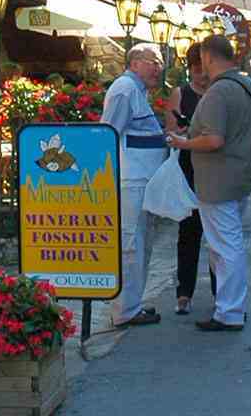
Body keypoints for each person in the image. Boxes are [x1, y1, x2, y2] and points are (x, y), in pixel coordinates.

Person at [168, 35, 251, 331]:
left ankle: (229, 312)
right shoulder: (246, 83)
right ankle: (230, 307)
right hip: (241, 174)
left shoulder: (217, 92)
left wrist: (182, 142)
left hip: (217, 180)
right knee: (226, 244)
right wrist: (247, 141)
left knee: (226, 247)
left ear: (207, 57)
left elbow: (214, 140)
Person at [102, 44, 170, 327]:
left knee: (141, 241)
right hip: (130, 179)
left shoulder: (137, 91)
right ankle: (125, 310)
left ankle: (133, 304)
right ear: (135, 62)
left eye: (160, 63)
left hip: (143, 178)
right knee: (131, 242)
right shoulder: (124, 90)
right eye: (153, 62)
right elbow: (108, 132)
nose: (158, 68)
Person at [171, 43, 216, 315]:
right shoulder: (181, 94)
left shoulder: (218, 93)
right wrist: (184, 134)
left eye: (204, 70)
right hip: (188, 170)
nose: (201, 76)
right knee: (188, 233)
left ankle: (219, 292)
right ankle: (184, 293)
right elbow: (170, 132)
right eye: (196, 70)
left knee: (216, 236)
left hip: (214, 170)